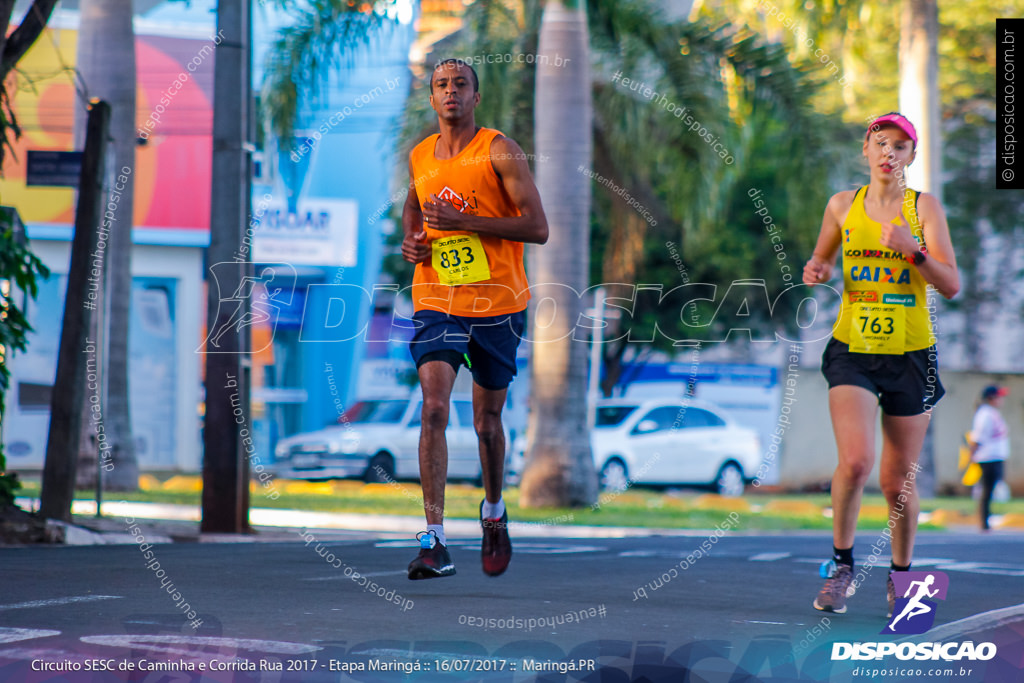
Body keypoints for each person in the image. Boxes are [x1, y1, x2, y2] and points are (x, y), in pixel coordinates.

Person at [803, 112, 960, 616]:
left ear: (912, 156)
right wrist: (818, 268)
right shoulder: (842, 206)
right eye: (880, 142)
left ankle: (902, 577)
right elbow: (823, 259)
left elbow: (952, 284)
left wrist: (914, 254)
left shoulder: (923, 210)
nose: (889, 152)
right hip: (853, 349)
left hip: (912, 355)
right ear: (865, 151)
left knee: (898, 483)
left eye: (900, 145)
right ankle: (841, 567)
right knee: (855, 462)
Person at [400, 58, 548, 580]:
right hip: (437, 297)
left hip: (498, 304)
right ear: (432, 97)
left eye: (460, 85)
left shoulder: (498, 149)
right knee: (434, 408)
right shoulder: (421, 155)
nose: (451, 93)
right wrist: (413, 242)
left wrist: (466, 221)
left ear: (475, 97)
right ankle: (433, 542)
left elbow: (537, 226)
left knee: (487, 423)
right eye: (442, 86)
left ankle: (492, 512)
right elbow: (414, 211)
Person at [970, 385, 1010, 531]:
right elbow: (978, 436)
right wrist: (972, 455)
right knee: (987, 489)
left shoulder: (992, 413)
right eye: (999, 396)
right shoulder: (985, 414)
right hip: (988, 457)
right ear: (991, 398)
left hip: (995, 456)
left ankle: (985, 519)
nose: (1002, 400)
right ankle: (983, 521)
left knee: (990, 489)